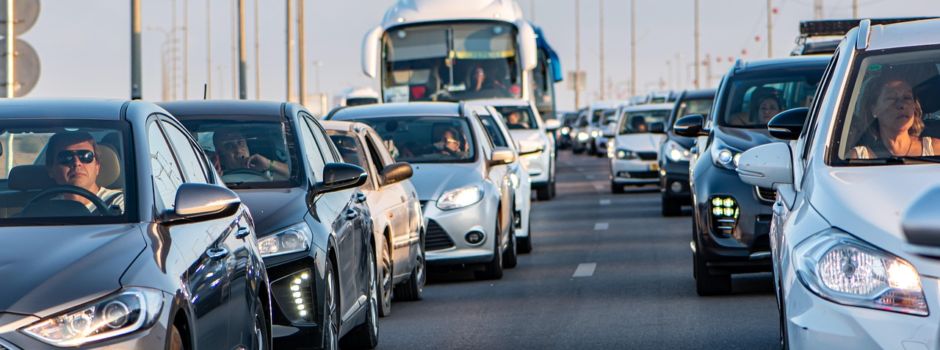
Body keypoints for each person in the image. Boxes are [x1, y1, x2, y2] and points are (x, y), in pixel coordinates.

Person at [849, 75, 940, 159]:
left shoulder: (935, 149)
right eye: (891, 98)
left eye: (907, 97)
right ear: (874, 110)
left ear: (914, 107)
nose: (902, 105)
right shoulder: (857, 157)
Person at [45, 131, 124, 213]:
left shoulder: (121, 203)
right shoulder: (45, 209)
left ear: (97, 166)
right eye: (66, 157)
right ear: (51, 170)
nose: (76, 163)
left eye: (86, 156)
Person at [212, 128, 290, 177]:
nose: (238, 150)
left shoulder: (267, 169)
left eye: (240, 143)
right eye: (229, 146)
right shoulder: (214, 177)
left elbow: (294, 175)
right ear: (220, 155)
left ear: (247, 146)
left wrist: (269, 164)